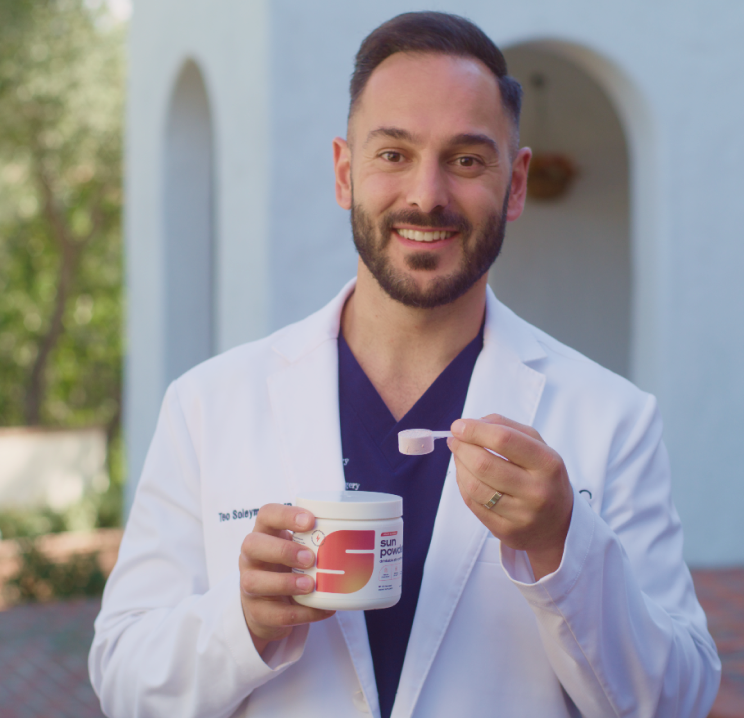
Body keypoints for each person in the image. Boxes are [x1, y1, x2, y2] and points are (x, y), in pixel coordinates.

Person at [90, 11, 720, 718]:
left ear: (515, 185)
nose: (427, 194)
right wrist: (242, 620)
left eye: (466, 159)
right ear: (344, 172)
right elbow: (123, 679)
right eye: (393, 154)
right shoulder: (207, 406)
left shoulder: (613, 420)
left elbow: (678, 700)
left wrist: (563, 545)